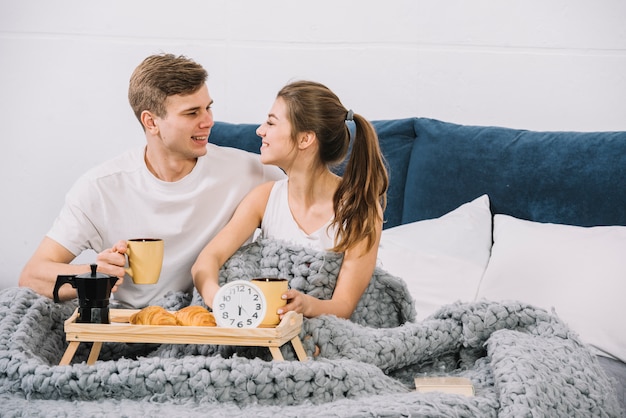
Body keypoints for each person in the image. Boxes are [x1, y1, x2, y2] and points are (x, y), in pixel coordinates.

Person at [18, 53, 284, 308]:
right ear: (151, 122)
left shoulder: (250, 171)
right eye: (192, 113)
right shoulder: (101, 188)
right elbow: (32, 276)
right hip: (132, 333)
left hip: (207, 323)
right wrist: (95, 274)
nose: (208, 122)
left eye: (208, 108)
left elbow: (312, 214)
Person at [192, 80, 389, 319]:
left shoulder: (359, 211)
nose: (260, 130)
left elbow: (343, 306)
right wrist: (218, 297)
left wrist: (307, 305)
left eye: (271, 123)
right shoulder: (263, 198)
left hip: (322, 330)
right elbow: (207, 260)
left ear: (305, 139)